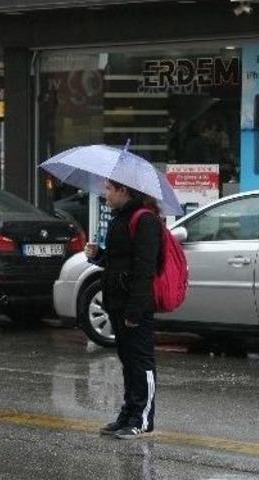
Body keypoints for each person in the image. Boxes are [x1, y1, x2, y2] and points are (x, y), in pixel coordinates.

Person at [85, 179, 161, 440]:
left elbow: (145, 269)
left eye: (109, 189)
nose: (105, 193)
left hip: (134, 305)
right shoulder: (119, 219)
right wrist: (97, 256)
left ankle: (142, 418)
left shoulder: (145, 220)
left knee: (141, 361)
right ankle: (128, 413)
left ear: (123, 191)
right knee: (128, 361)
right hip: (116, 302)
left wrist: (135, 310)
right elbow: (117, 263)